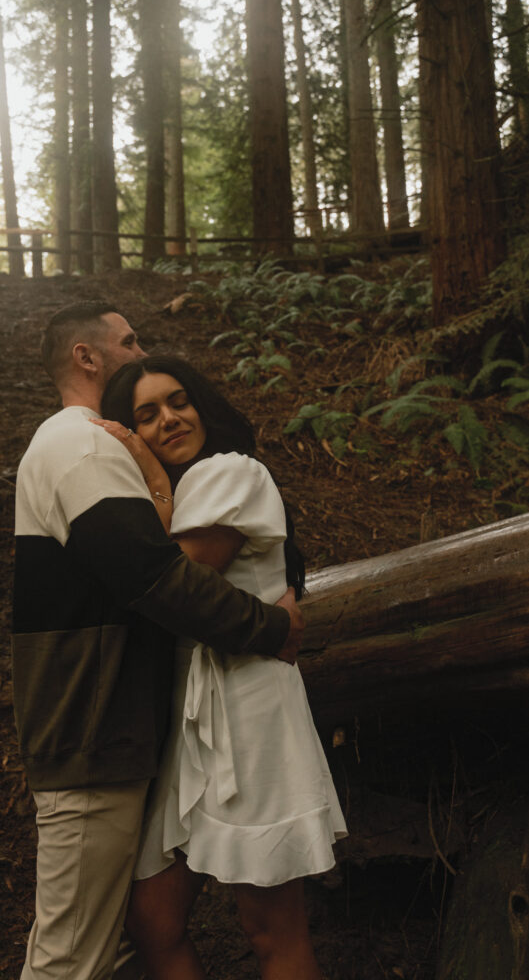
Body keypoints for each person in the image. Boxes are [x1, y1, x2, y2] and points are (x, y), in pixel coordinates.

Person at [12, 300, 309, 980]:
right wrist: (273, 625)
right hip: (101, 732)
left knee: (221, 928)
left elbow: (161, 576)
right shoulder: (81, 445)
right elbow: (158, 582)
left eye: (177, 403)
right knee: (83, 953)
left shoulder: (215, 471)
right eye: (129, 341)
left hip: (202, 724)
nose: (140, 351)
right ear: (87, 356)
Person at [97, 355, 347, 980]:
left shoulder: (231, 471)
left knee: (270, 931)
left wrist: (144, 461)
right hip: (191, 723)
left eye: (178, 402)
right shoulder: (179, 490)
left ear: (203, 404)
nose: (168, 420)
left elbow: (175, 584)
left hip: (251, 715)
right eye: (145, 416)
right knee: (153, 922)